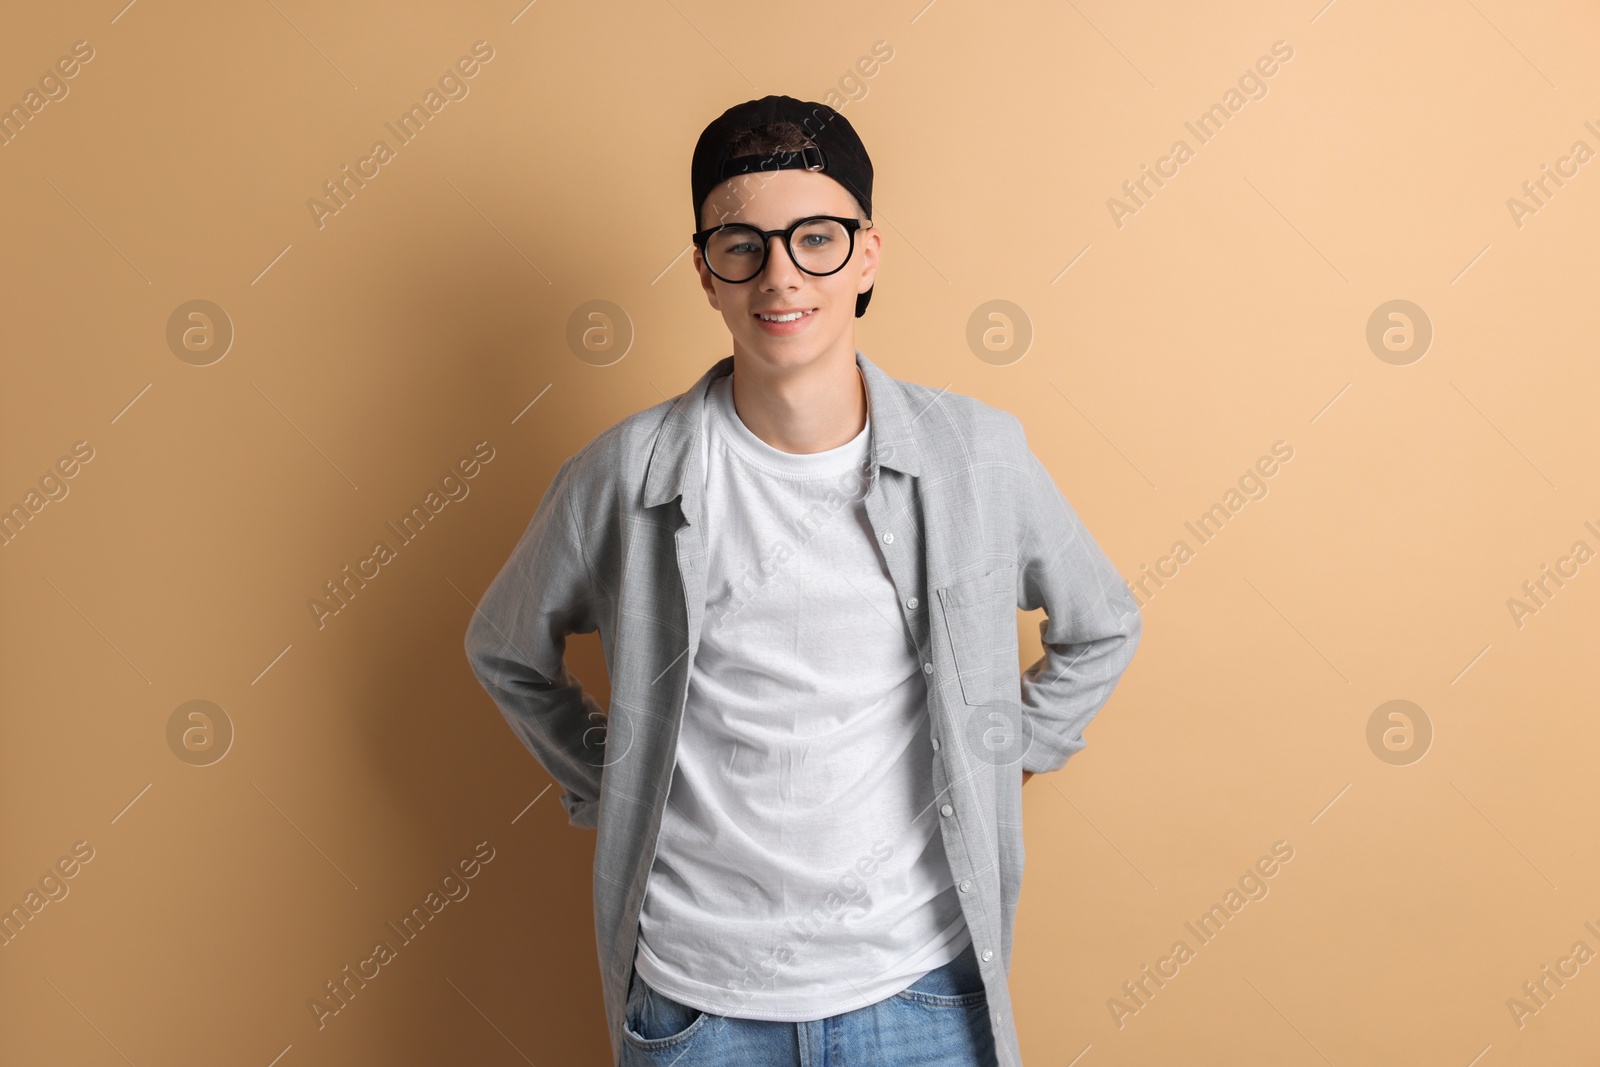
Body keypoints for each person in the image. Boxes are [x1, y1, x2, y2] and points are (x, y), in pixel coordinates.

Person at [464, 94, 1142, 1067]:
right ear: (704, 268)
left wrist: (1001, 751)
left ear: (866, 254)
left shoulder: (978, 457)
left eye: (815, 238)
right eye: (742, 243)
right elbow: (504, 646)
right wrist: (617, 780)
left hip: (920, 990)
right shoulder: (623, 474)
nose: (780, 275)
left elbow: (1102, 621)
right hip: (696, 1006)